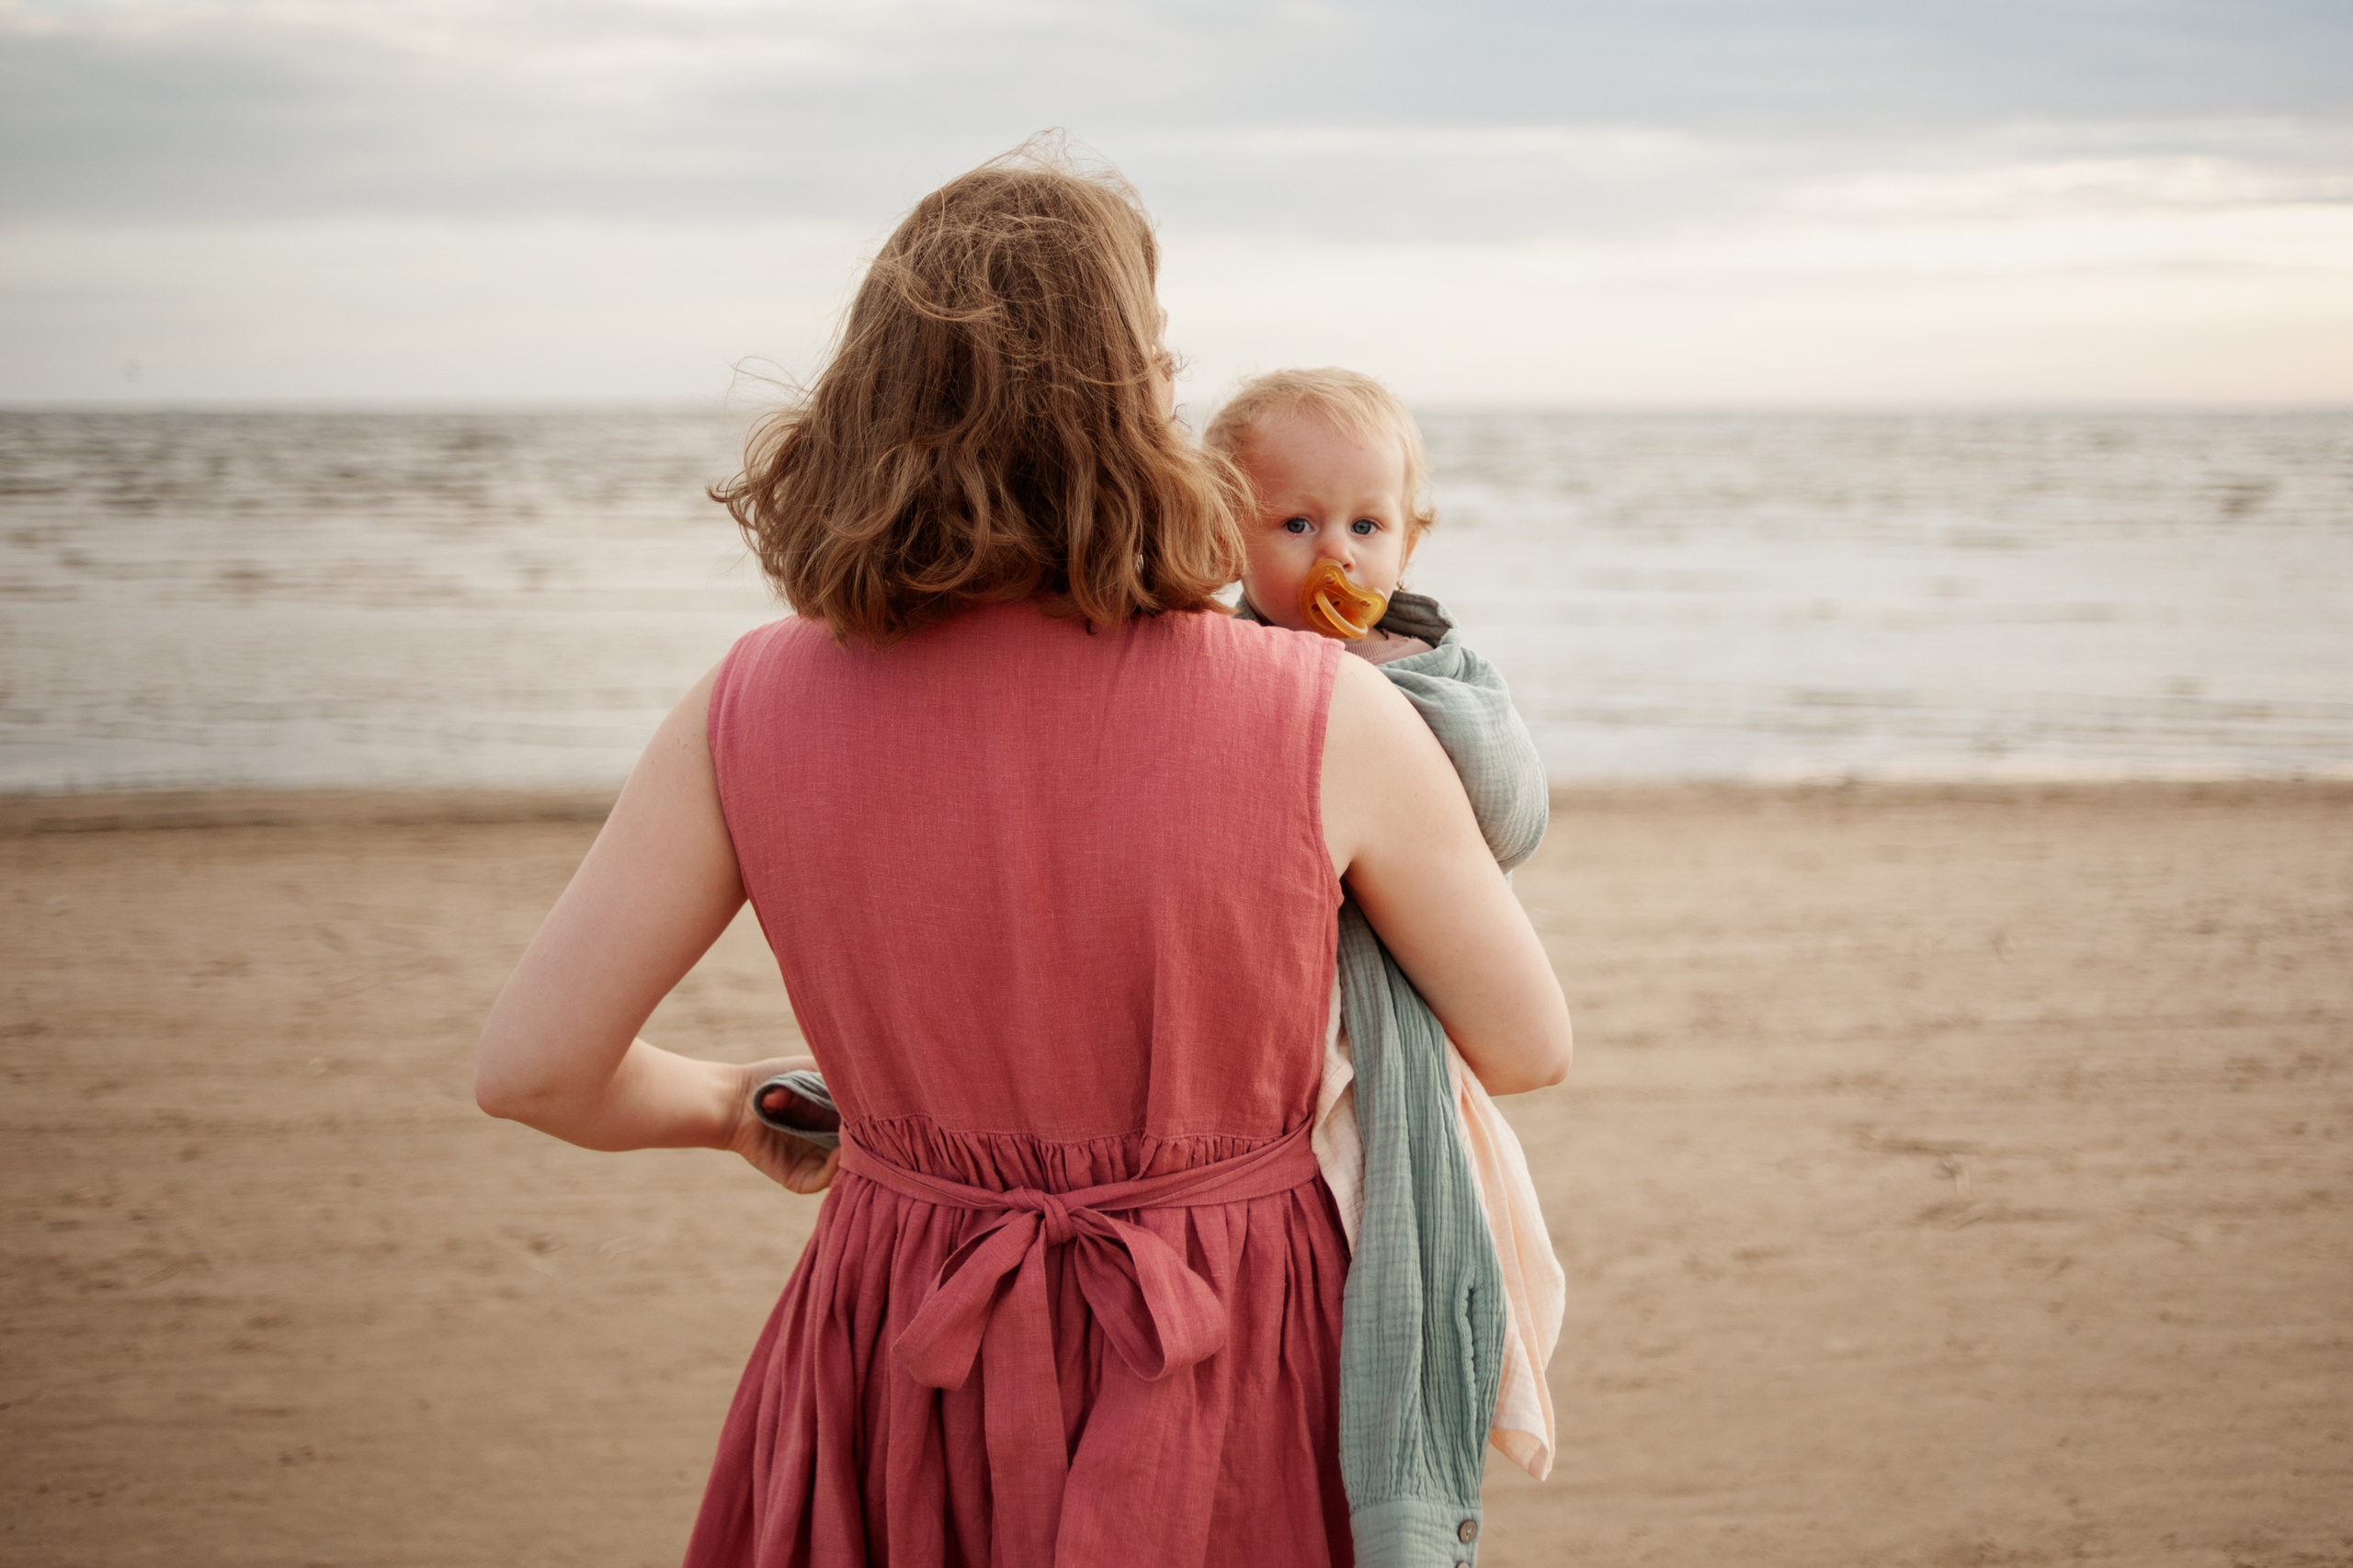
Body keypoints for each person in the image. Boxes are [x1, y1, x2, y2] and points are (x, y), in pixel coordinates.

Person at [472, 146, 1573, 1568]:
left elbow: (538, 1069)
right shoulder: (1321, 709)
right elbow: (1527, 1040)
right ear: (1132, 409)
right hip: (1229, 1347)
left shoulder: (747, 701)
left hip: (899, 1348)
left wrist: (738, 1105)